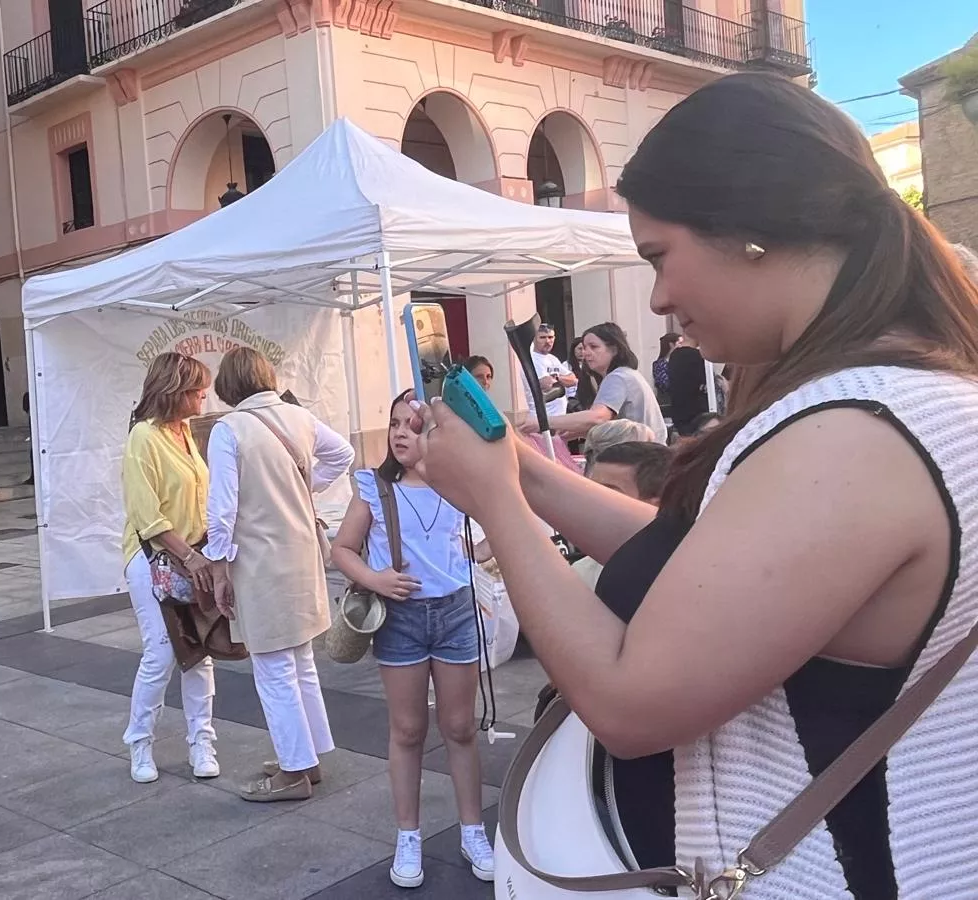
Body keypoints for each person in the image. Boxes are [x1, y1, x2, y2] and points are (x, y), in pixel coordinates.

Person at [413, 73, 978, 897]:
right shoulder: (898, 394)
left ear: (745, 229)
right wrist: (523, 473)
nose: (659, 298)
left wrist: (497, 502)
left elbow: (630, 705)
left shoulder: (855, 433)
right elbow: (703, 560)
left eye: (659, 257)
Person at [331, 390, 495, 888]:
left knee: (461, 727)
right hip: (400, 618)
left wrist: (475, 559)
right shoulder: (376, 486)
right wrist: (376, 578)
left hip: (454, 613)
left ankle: (472, 830)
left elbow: (492, 536)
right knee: (406, 730)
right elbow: (342, 549)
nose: (401, 433)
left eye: (412, 425)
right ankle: (408, 835)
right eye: (395, 423)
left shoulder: (459, 487)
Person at [204, 347, 354, 801]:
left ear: (228, 385)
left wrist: (218, 565)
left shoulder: (228, 429)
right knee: (301, 660)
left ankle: (294, 770)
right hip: (303, 553)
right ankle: (308, 756)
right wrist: (305, 486)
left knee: (272, 667)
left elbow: (222, 508)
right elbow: (343, 454)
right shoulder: (298, 417)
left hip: (259, 561)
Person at [120, 352, 219, 784]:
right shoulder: (143, 436)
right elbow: (148, 516)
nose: (204, 395)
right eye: (196, 389)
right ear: (174, 392)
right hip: (155, 558)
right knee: (162, 652)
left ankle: (202, 742)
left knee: (200, 655)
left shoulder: (186, 432)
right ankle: (139, 743)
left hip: (194, 557)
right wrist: (192, 556)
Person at [540, 322, 667, 443]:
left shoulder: (618, 377)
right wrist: (576, 432)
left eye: (593, 347)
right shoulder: (625, 374)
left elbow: (598, 417)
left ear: (614, 349)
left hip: (643, 457)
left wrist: (541, 422)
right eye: (584, 348)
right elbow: (613, 426)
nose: (585, 353)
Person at [529, 324, 577, 421]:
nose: (547, 341)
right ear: (534, 339)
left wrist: (557, 378)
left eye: (550, 337)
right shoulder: (532, 359)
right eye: (542, 337)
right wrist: (561, 380)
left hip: (560, 416)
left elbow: (574, 380)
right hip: (544, 418)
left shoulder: (553, 359)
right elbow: (546, 384)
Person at [666, 334, 710, 429]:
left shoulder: (674, 356)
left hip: (679, 412)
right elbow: (705, 382)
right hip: (696, 414)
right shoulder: (697, 356)